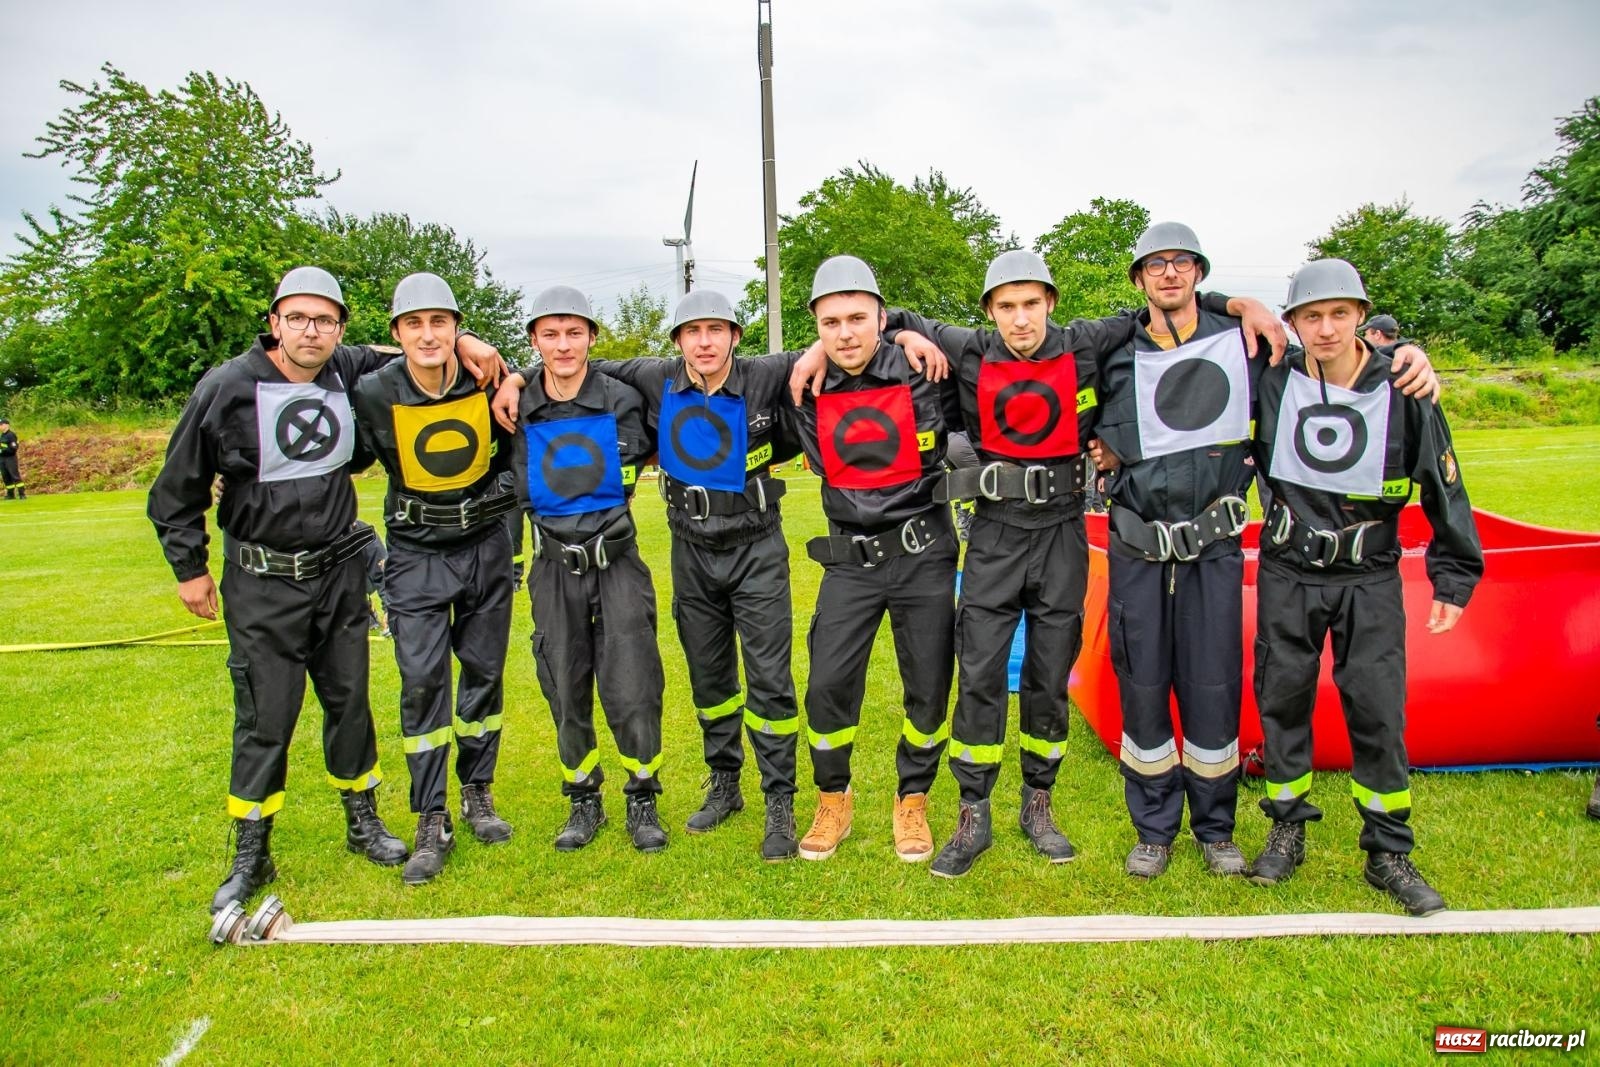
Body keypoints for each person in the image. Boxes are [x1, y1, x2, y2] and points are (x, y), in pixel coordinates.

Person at [876, 249, 1284, 878]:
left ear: (1051, 304)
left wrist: (1241, 304)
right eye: (1006, 306)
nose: (1020, 319)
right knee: (981, 672)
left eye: (1031, 303)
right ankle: (974, 812)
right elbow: (879, 314)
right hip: (994, 532)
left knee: (1048, 673)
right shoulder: (967, 348)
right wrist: (889, 334)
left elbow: (1172, 301)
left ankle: (1039, 806)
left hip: (1064, 530)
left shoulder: (1089, 342)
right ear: (989, 311)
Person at [148, 265, 503, 915]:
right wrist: (190, 568)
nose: (311, 331)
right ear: (274, 322)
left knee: (350, 703)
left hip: (339, 572)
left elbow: (417, 344)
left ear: (339, 328)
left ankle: (363, 822)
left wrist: (474, 342)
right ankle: (252, 853)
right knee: (266, 715)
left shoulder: (343, 367)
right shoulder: (228, 387)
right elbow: (176, 488)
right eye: (298, 318)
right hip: (262, 580)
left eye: (324, 320)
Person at [1089, 223, 1438, 880]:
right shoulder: (1111, 351)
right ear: (1138, 278)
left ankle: (1216, 828)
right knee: (1141, 689)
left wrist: (1411, 356)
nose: (1170, 274)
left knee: (1213, 688)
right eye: (1155, 265)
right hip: (1137, 548)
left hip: (1215, 549)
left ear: (1199, 273)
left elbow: (1332, 357)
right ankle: (1155, 827)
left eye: (1183, 263)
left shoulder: (1245, 343)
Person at [497, 289, 807, 859]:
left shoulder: (767, 374)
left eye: (717, 329)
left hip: (758, 546)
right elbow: (570, 363)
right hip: (690, 551)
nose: (705, 341)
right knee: (710, 682)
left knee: (768, 678)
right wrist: (514, 378)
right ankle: (725, 784)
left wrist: (903, 330)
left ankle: (779, 800)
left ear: (736, 336)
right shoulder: (654, 379)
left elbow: (832, 349)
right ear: (677, 342)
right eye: (693, 331)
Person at [1248, 259, 1482, 917]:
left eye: (1340, 314)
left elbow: (1444, 480)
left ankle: (1388, 850)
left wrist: (1454, 574)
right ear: (1294, 323)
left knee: (1378, 709)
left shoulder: (1405, 386)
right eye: (1312, 316)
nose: (1326, 329)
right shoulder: (1271, 381)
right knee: (1283, 698)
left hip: (1370, 574)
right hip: (1289, 570)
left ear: (1360, 316)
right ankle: (1287, 824)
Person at [781, 256, 957, 864]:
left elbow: (996, 346)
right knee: (827, 684)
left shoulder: (925, 365)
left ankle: (913, 798)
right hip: (850, 562)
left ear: (881, 316)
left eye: (859, 317)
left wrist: (909, 328)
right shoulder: (803, 383)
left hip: (924, 554)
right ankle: (833, 797)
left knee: (929, 686)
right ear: (817, 328)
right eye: (830, 322)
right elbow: (704, 363)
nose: (846, 332)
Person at [351, 273, 518, 885]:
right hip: (416, 556)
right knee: (422, 681)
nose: (428, 334)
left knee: (483, 675)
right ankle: (430, 816)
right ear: (396, 333)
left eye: (441, 323)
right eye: (414, 324)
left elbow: (514, 452)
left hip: (484, 549)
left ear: (456, 328)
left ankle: (477, 791)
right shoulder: (372, 391)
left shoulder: (488, 379)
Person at [509, 285, 668, 853]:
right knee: (564, 682)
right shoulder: (516, 403)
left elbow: (659, 443)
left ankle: (642, 796)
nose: (563, 344)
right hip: (554, 567)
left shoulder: (624, 398)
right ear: (534, 341)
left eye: (574, 332)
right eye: (549, 334)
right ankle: (582, 799)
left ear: (592, 338)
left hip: (618, 562)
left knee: (634, 683)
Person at [0, 417, 23, 499]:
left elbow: (13, 449)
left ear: (7, 425)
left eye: (1, 424)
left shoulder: (11, 435)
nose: (0, 426)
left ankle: (22, 494)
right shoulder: (2, 435)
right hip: (2, 459)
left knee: (15, 476)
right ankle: (10, 495)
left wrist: (2, 451)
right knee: (6, 477)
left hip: (10, 458)